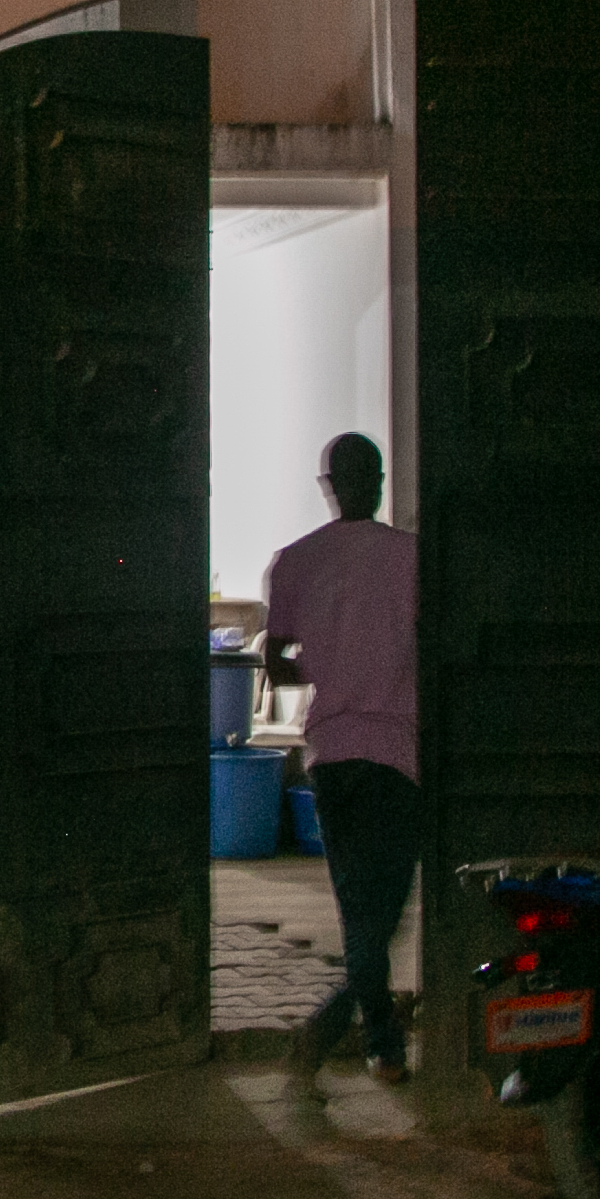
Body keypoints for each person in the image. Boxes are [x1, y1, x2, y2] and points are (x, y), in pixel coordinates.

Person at [258, 432, 422, 1085]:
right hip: (395, 755)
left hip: (331, 755)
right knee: (384, 911)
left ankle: (378, 1045)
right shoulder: (413, 558)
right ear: (378, 481)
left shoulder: (295, 562)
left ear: (329, 486)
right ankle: (348, 1038)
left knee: (361, 911)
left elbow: (277, 664)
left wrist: (328, 661)